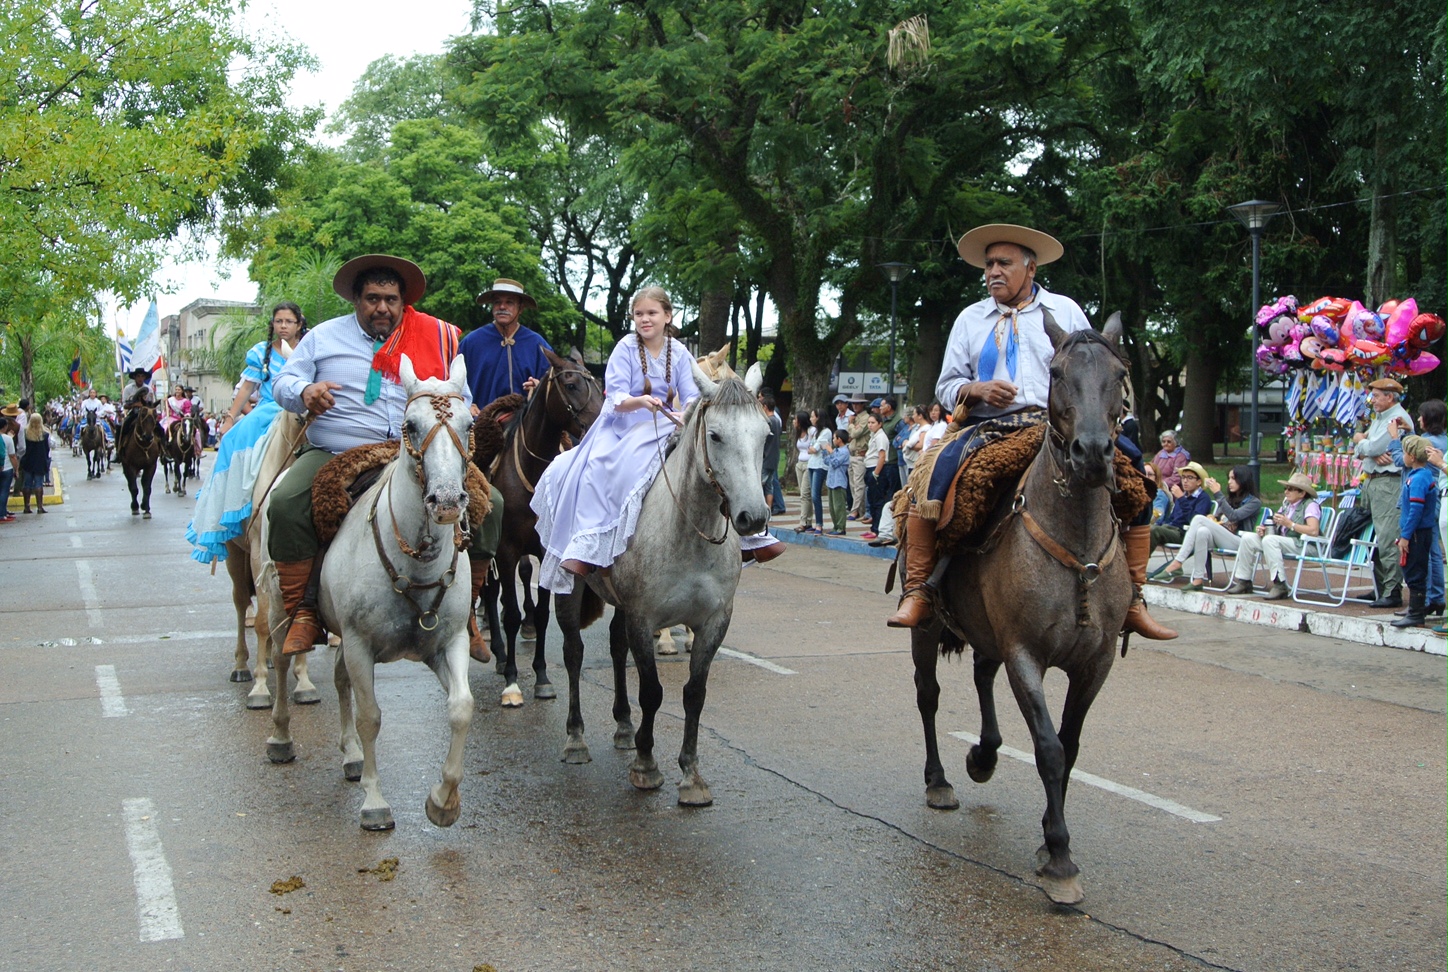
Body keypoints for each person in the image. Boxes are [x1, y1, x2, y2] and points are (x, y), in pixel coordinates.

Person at [888, 222, 1174, 640]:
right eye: (988, 264)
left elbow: (1091, 368)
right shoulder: (970, 319)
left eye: (1003, 263)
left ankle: (1133, 599)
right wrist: (976, 388)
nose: (993, 272)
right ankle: (918, 590)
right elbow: (946, 387)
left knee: (1137, 479)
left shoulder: (1068, 311)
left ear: (1031, 268)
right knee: (930, 482)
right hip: (989, 426)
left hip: (1058, 424)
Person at [268, 254, 464, 655]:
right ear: (355, 300)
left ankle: (466, 615)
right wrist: (305, 392)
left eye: (391, 299)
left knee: (486, 502)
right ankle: (303, 611)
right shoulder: (323, 337)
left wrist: (462, 407)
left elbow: (457, 394)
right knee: (286, 505)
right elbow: (284, 380)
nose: (382, 308)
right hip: (339, 450)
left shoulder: (429, 336)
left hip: (412, 452)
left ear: (401, 302)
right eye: (373, 298)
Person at [185, 302, 307, 565]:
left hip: (302, 408)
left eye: (288, 321)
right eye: (278, 321)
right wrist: (230, 418)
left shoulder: (312, 347)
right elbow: (245, 389)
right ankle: (228, 503)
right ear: (272, 324)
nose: (283, 326)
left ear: (299, 324)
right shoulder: (261, 352)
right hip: (267, 410)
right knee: (230, 440)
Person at [1352, 377, 1414, 608]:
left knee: (1388, 536)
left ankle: (1392, 590)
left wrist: (1365, 447)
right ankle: (1381, 587)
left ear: (1390, 396)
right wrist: (1365, 447)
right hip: (1373, 481)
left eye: (1376, 396)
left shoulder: (1397, 418)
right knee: (1374, 535)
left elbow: (1373, 447)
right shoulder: (1380, 418)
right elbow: (1361, 445)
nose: (1372, 400)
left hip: (1388, 483)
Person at [1149, 465, 1260, 590]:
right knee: (1202, 531)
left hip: (1240, 542)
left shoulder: (1254, 502)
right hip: (1222, 537)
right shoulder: (1230, 499)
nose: (1229, 482)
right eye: (1229, 478)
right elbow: (1219, 517)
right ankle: (1197, 579)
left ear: (1243, 480)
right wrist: (1212, 517)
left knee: (1198, 519)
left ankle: (1178, 562)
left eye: (1233, 479)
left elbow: (1234, 516)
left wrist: (1217, 493)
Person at [459, 278, 553, 409]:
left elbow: (553, 385)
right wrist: (465, 405)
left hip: (525, 425)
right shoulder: (472, 342)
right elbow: (454, 384)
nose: (502, 307)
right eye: (497, 302)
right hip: (479, 422)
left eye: (509, 302)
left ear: (521, 308)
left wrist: (539, 387)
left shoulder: (537, 344)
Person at [1226, 472, 1322, 599]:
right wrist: (1265, 530)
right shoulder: (1287, 505)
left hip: (1304, 545)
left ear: (1302, 493)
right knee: (1248, 538)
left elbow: (1313, 531)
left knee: (1270, 541)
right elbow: (1278, 527)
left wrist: (1290, 524)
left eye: (1291, 489)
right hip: (1286, 542)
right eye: (1286, 488)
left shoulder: (1310, 505)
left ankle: (1280, 585)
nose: (1286, 492)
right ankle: (1244, 581)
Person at [1390, 436, 1440, 627]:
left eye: (1404, 453)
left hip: (1417, 533)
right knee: (1413, 569)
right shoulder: (1424, 475)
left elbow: (1415, 510)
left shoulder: (1418, 479)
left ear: (1411, 456)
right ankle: (1415, 611)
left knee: (1414, 571)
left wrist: (1405, 536)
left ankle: (1416, 613)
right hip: (1421, 531)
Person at [1148, 461, 1213, 555]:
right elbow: (1172, 518)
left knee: (1153, 530)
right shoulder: (1183, 496)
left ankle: (1140, 564)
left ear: (1199, 482)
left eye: (1190, 477)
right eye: (1183, 477)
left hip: (1184, 533)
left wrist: (1182, 499)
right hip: (1171, 528)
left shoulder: (1203, 498)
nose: (1185, 481)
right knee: (1145, 529)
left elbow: (1195, 521)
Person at [861, 413, 889, 539]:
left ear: (880, 423)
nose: (870, 425)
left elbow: (882, 456)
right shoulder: (873, 436)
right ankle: (873, 528)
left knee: (878, 501)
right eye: (869, 423)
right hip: (869, 467)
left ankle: (877, 529)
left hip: (876, 469)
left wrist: (876, 474)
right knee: (871, 500)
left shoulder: (881, 437)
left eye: (873, 423)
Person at [18, 413, 52, 514]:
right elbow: (51, 445)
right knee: (38, 483)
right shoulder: (45, 434)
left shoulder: (25, 433)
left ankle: (27, 506)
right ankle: (40, 506)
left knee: (27, 483)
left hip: (28, 461)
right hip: (40, 461)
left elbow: (22, 448)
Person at [759, 390, 786, 516]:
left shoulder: (767, 422)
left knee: (760, 484)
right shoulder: (777, 421)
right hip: (774, 457)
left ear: (765, 407)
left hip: (766, 457)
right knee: (770, 486)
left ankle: (761, 509)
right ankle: (769, 509)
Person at [117, 368, 157, 451]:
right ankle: (119, 449)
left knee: (159, 428)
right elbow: (125, 405)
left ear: (145, 378)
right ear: (134, 377)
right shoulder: (128, 389)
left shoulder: (149, 389)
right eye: (138, 376)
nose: (140, 378)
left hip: (146, 414)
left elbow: (152, 403)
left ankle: (163, 451)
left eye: (142, 376)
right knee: (121, 427)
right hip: (133, 413)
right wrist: (135, 404)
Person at [806, 409, 831, 534]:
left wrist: (812, 448)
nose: (811, 419)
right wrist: (811, 448)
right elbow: (809, 447)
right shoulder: (815, 432)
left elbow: (814, 449)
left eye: (813, 416)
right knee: (812, 495)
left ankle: (819, 524)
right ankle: (816, 522)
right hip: (812, 464)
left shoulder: (826, 432)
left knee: (816, 495)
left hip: (820, 465)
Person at [847, 394, 871, 520]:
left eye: (858, 403)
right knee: (853, 484)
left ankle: (855, 510)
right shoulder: (855, 418)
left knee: (859, 484)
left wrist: (851, 424)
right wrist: (852, 426)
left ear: (863, 404)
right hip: (852, 454)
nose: (855, 406)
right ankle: (860, 511)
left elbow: (856, 433)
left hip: (860, 454)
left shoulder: (865, 418)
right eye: (853, 403)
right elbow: (849, 436)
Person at [823, 428, 851, 534]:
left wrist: (831, 453)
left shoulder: (844, 452)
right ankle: (835, 526)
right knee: (832, 507)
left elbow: (835, 463)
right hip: (831, 481)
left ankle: (841, 527)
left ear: (839, 439)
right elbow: (827, 462)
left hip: (839, 482)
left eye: (834, 438)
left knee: (839, 506)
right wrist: (825, 452)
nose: (833, 440)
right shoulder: (835, 451)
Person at [792, 411, 814, 532]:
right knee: (804, 493)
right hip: (800, 464)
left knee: (805, 494)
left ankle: (803, 521)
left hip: (809, 464)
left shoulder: (811, 431)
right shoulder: (798, 433)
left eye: (796, 419)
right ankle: (808, 520)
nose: (794, 422)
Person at [0, 409, 17, 522]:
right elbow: (12, 456)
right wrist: (16, 469)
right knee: (4, 492)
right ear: (5, 427)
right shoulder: (8, 439)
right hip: (6, 468)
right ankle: (2, 514)